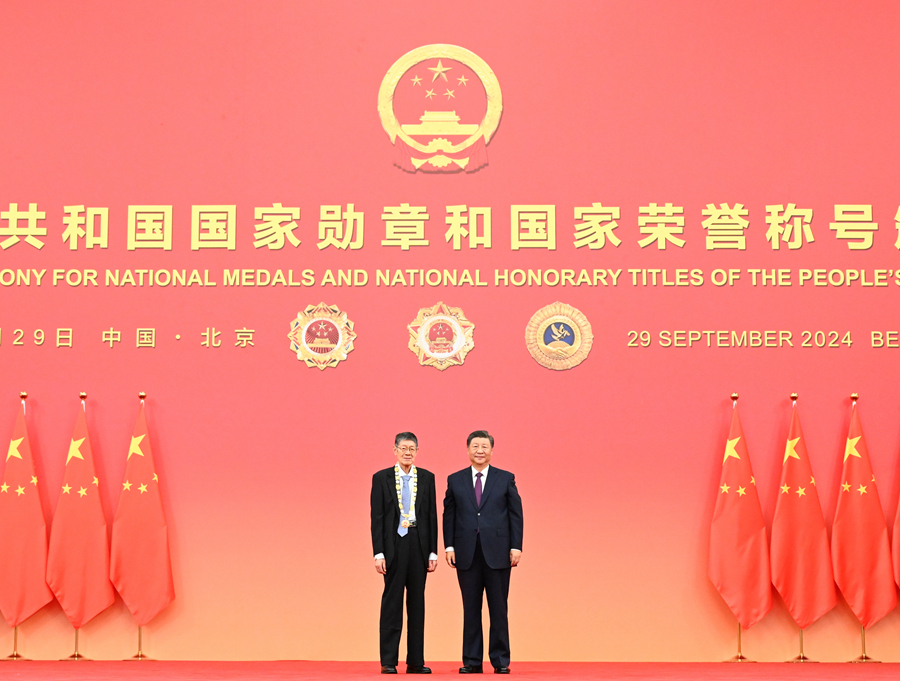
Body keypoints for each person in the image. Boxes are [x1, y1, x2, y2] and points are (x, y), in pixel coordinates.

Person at [443, 430, 523, 674]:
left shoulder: (505, 478)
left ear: (491, 450)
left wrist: (516, 546)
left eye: (484, 446)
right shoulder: (455, 479)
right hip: (466, 553)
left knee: (498, 608)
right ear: (467, 449)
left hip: (498, 552)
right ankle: (471, 661)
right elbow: (449, 515)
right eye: (475, 446)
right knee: (471, 609)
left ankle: (500, 661)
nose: (480, 450)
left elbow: (515, 514)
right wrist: (449, 546)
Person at [371, 432, 438, 674]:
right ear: (395, 450)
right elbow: (377, 518)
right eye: (403, 448)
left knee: (417, 603)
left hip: (419, 546)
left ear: (417, 451)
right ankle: (388, 661)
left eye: (412, 449)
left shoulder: (427, 478)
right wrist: (379, 553)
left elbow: (431, 516)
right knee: (392, 602)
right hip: (394, 546)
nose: (407, 452)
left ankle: (415, 662)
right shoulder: (381, 478)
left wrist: (433, 552)